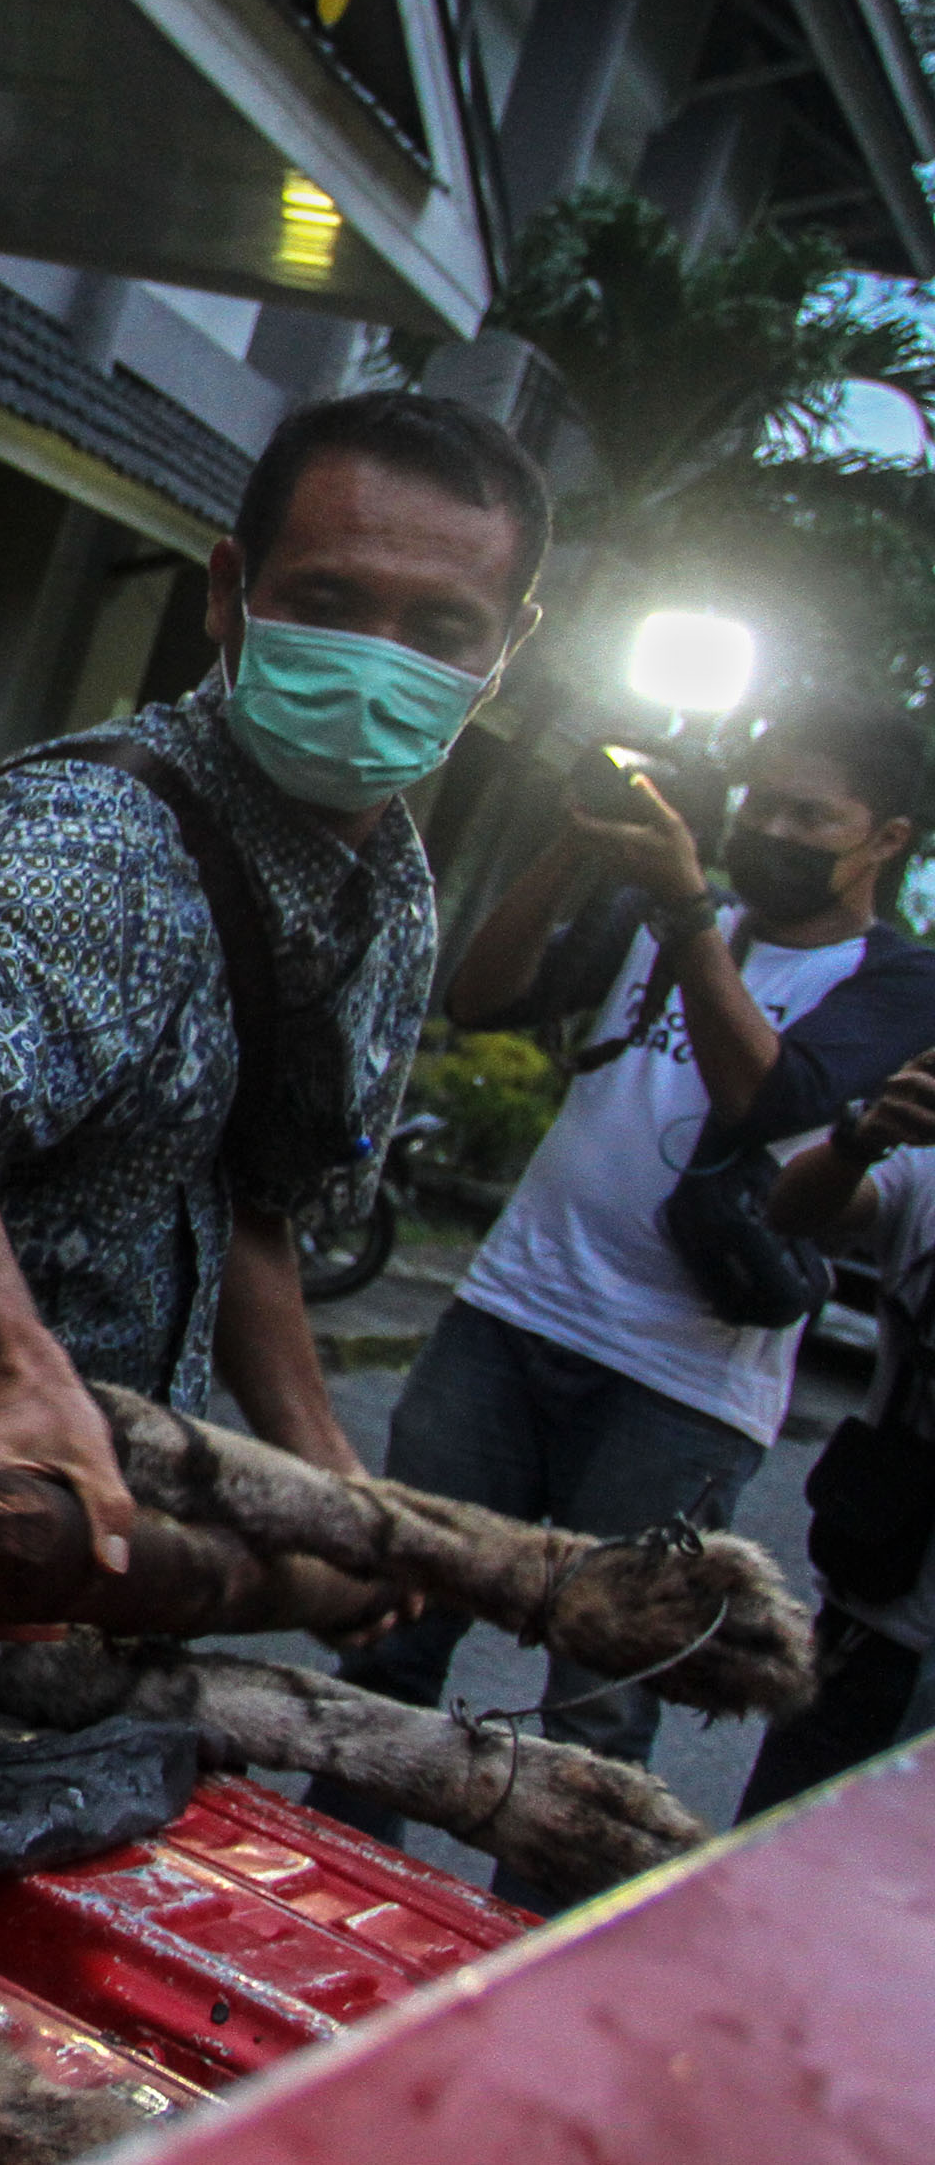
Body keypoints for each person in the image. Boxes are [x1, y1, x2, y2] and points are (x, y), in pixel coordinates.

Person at [0, 393, 553, 1583]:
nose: (376, 662)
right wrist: (18, 1371)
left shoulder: (386, 895)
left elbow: (243, 1209)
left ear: (504, 655)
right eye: (329, 603)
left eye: (438, 625)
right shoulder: (88, 836)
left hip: (68, 1561)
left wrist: (331, 1482)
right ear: (229, 592)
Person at [313, 696, 933, 1872]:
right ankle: (325, 1891)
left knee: (596, 1710)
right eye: (762, 802)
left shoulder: (898, 980)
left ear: (884, 840)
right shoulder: (663, 915)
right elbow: (483, 996)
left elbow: (775, 1099)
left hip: (681, 1386)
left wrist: (693, 907)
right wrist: (575, 844)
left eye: (813, 815)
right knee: (393, 1632)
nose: (774, 829)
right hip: (508, 1316)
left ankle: (521, 1974)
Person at [740, 1047, 935, 1820]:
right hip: (872, 1622)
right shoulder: (923, 1169)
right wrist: (862, 1137)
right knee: (769, 1877)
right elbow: (793, 1210)